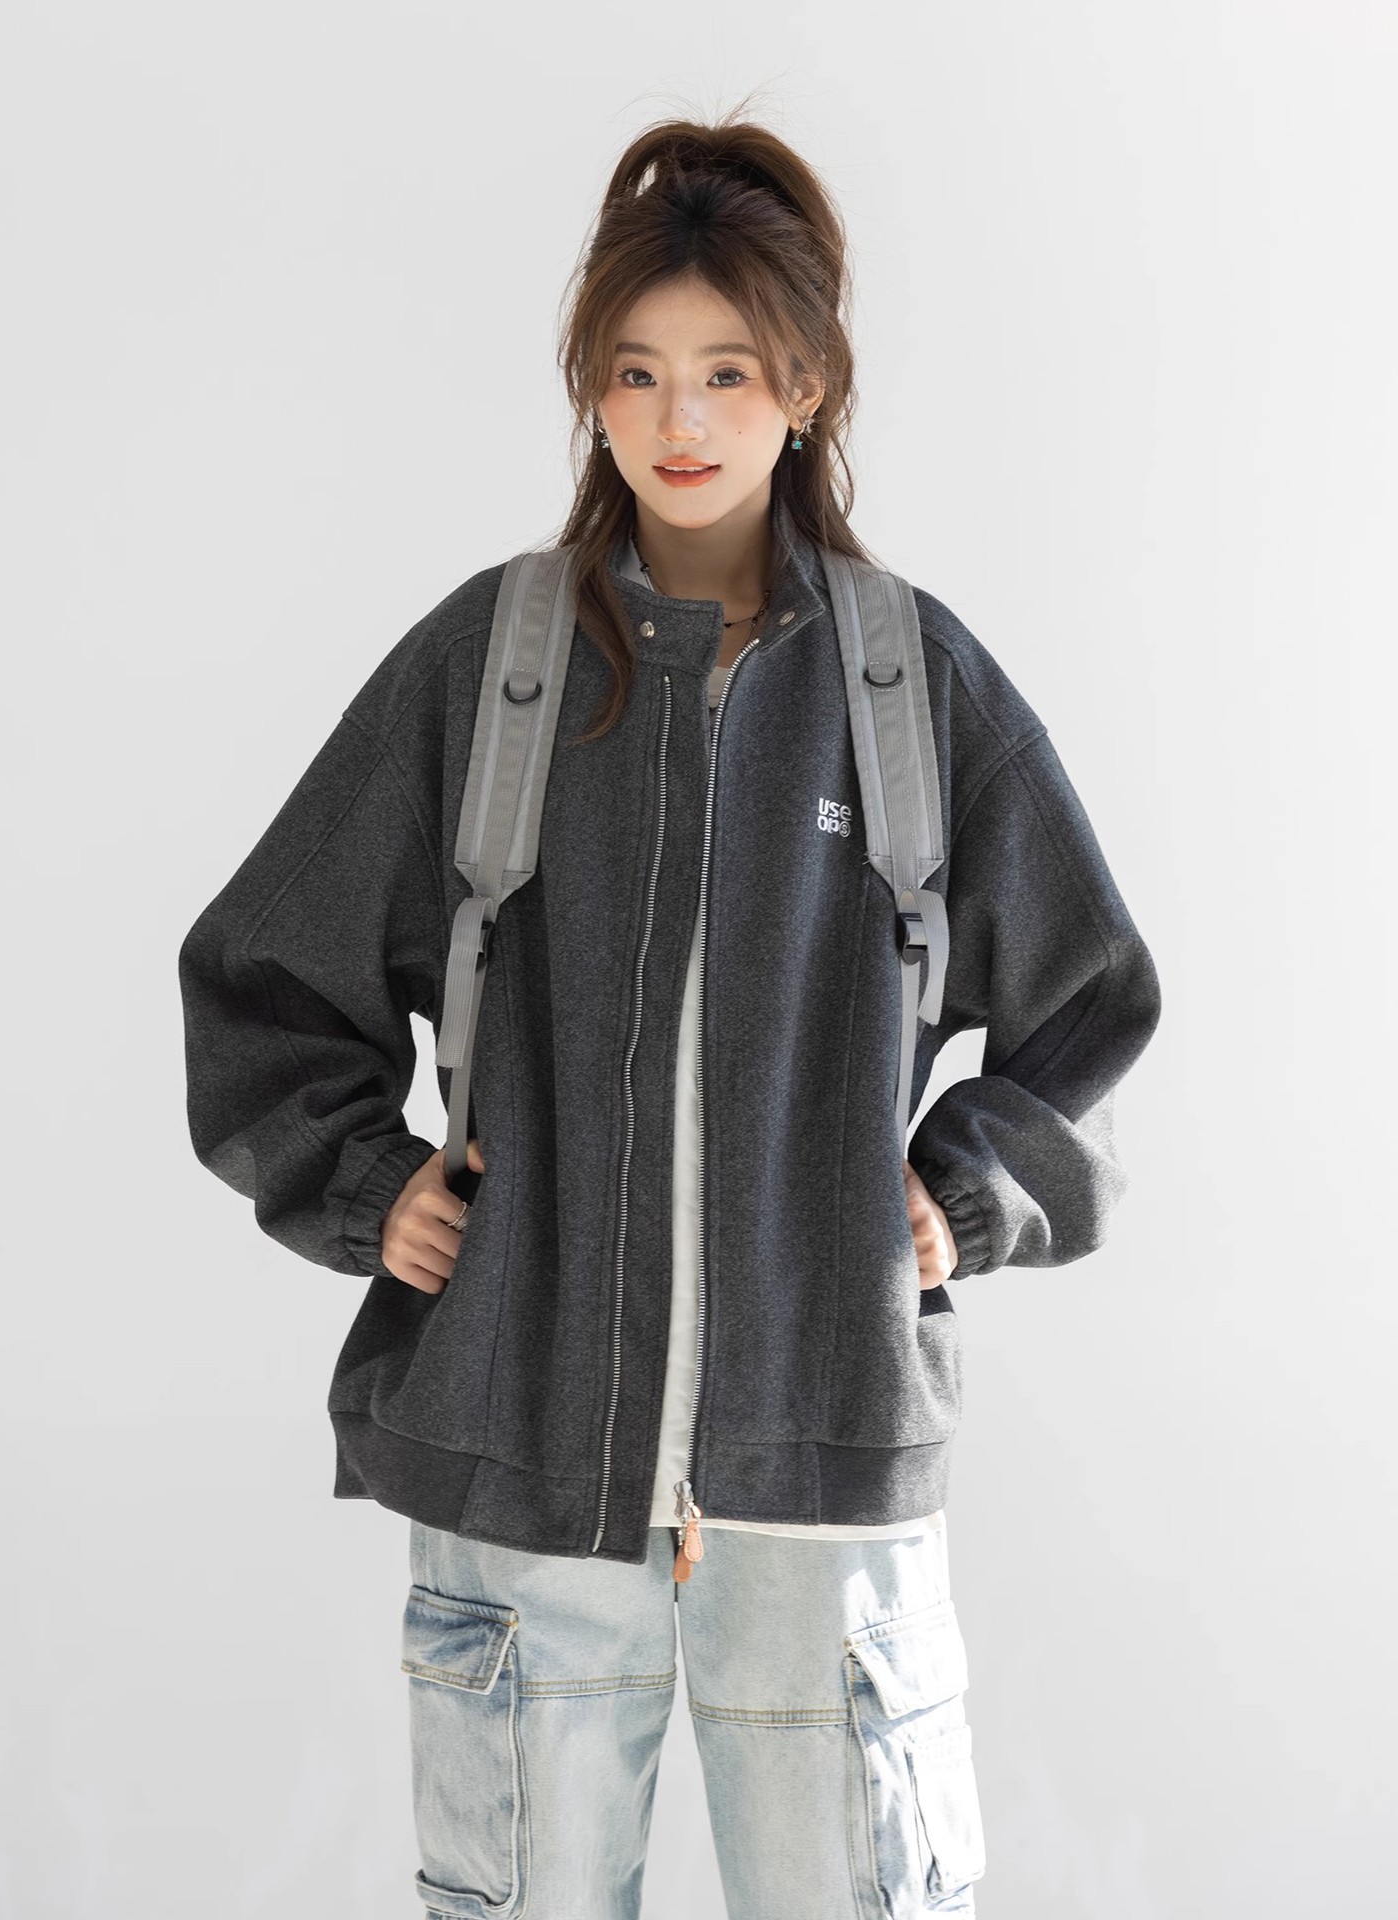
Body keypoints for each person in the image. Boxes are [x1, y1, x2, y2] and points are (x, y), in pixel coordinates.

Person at [178, 108, 1161, 1920]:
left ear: (806, 390)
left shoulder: (909, 681)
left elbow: (1094, 1001)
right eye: (635, 372)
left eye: (726, 372)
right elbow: (262, 975)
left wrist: (966, 1195)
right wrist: (366, 1188)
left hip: (825, 1475)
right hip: (524, 1459)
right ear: (592, 393)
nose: (678, 419)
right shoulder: (493, 664)